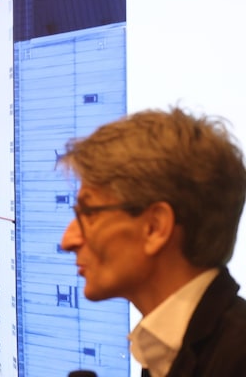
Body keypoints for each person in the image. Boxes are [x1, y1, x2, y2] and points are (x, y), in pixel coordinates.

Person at [58, 107, 246, 377]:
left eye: (88, 213)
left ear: (154, 228)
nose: (68, 240)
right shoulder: (166, 349)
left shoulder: (236, 358)